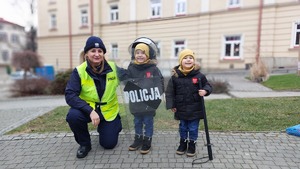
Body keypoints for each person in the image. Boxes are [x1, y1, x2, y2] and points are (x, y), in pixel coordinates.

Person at [65, 36, 126, 158]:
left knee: (108, 144)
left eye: (100, 51)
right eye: (93, 51)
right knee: (73, 116)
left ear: (103, 53)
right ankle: (84, 144)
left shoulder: (113, 68)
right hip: (89, 110)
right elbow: (70, 95)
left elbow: (130, 76)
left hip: (108, 111)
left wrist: (146, 70)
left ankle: (115, 125)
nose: (97, 54)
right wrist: (90, 111)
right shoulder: (79, 71)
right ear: (86, 53)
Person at [165, 49, 212, 157]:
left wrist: (205, 91)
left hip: (195, 108)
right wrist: (172, 105)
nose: (188, 60)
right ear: (180, 61)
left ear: (194, 61)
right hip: (181, 107)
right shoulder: (175, 77)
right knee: (183, 127)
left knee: (193, 128)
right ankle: (183, 143)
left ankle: (192, 144)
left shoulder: (199, 76)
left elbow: (208, 85)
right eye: (185, 58)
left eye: (190, 58)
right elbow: (170, 92)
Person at [124, 37, 164, 154]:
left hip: (149, 103)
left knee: (148, 122)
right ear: (134, 54)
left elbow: (160, 83)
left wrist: (156, 93)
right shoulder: (131, 68)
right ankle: (138, 139)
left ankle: (147, 141)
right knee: (137, 122)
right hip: (136, 104)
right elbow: (127, 83)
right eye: (137, 53)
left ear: (148, 55)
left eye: (143, 53)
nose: (140, 55)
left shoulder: (153, 69)